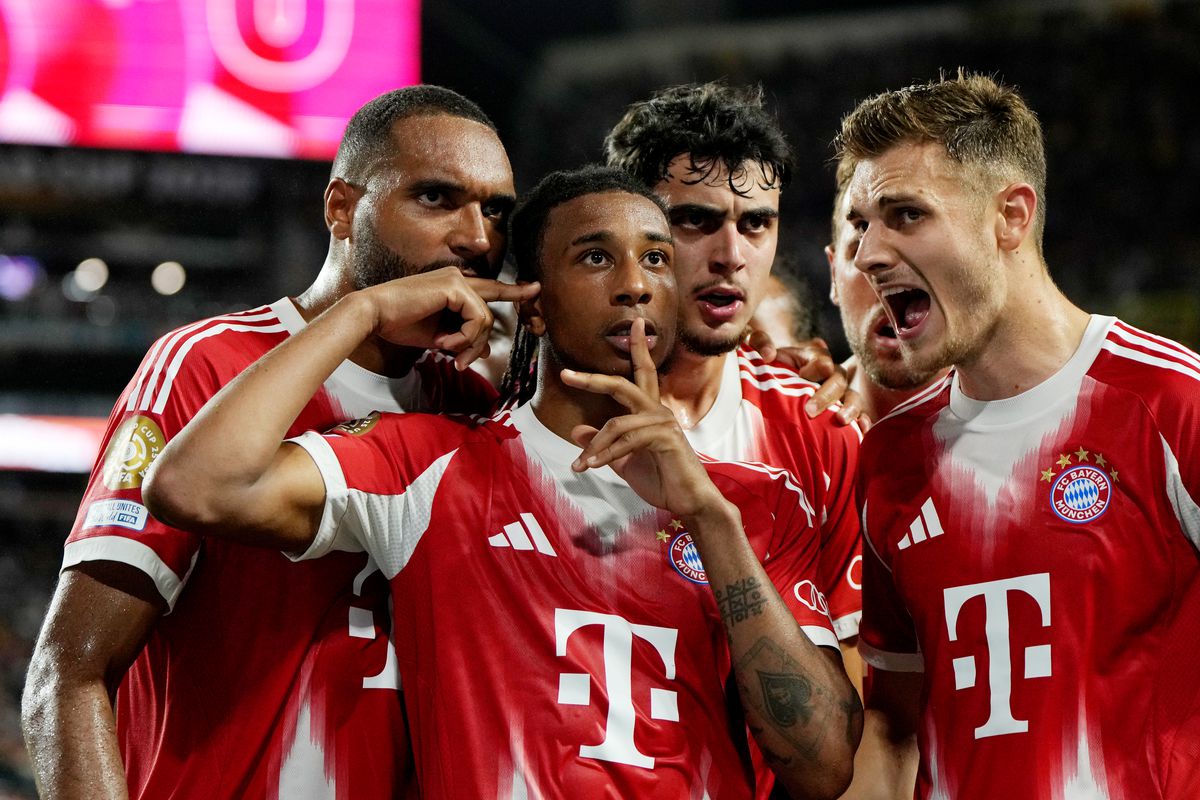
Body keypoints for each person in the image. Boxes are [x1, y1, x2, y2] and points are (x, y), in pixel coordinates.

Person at [142, 166, 863, 798]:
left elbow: (825, 767)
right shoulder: (431, 466)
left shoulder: (756, 500)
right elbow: (196, 485)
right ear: (535, 307)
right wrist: (362, 311)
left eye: (656, 259)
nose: (636, 286)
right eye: (596, 257)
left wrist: (707, 516)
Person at [21, 85, 535, 799]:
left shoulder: (475, 403)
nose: (477, 239)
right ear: (341, 209)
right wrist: (365, 311)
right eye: (436, 199)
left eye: (495, 211)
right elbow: (69, 673)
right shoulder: (206, 365)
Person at [838, 72, 1200, 799]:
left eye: (906, 215)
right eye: (861, 224)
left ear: (1010, 216)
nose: (868, 253)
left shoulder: (1170, 405)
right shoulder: (891, 456)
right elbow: (894, 726)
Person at [602, 83, 865, 693]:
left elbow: (849, 717)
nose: (731, 255)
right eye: (695, 220)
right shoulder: (544, 412)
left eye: (755, 224)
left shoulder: (820, 432)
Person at [825, 170, 948, 423]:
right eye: (859, 246)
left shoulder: (1019, 428)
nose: (884, 272)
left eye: (913, 245)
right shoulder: (783, 422)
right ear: (834, 275)